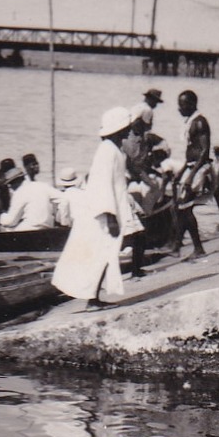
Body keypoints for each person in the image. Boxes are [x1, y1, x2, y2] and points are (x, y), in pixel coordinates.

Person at [53, 107, 144, 308]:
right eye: (127, 128)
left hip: (109, 211)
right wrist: (109, 215)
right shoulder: (108, 152)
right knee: (100, 254)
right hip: (102, 214)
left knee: (105, 254)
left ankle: (93, 297)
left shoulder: (113, 150)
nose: (130, 132)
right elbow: (101, 185)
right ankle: (92, 299)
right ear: (119, 130)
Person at [165, 90, 212, 259]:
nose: (179, 108)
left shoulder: (200, 122)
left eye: (182, 105)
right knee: (180, 207)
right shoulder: (190, 122)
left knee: (185, 207)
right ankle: (177, 245)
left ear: (192, 104)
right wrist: (182, 171)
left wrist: (191, 175)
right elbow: (191, 151)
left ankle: (196, 248)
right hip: (192, 166)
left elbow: (204, 151)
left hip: (199, 168)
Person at [0, 162, 69, 230]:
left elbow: (10, 222)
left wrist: (2, 216)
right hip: (47, 228)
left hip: (28, 230)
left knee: (6, 228)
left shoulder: (19, 193)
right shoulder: (42, 185)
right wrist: (63, 221)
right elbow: (64, 199)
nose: (10, 187)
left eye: (10, 184)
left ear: (14, 182)